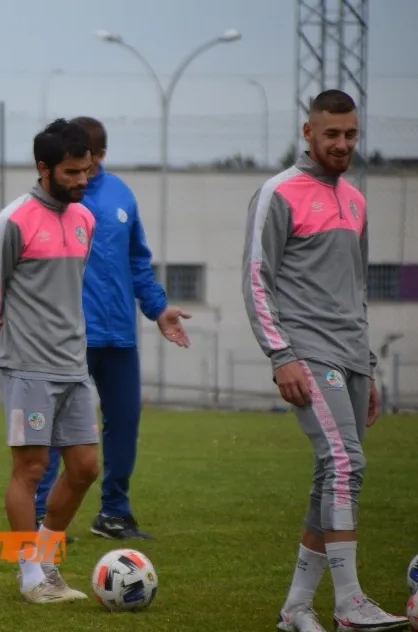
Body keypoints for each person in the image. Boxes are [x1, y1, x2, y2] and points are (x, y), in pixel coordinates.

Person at [241, 89, 408, 632]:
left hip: (350, 358)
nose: (341, 144)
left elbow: (356, 289)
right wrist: (281, 354)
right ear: (307, 132)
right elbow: (255, 280)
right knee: (345, 465)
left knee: (329, 476)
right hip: (307, 352)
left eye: (351, 135)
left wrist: (369, 366)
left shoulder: (356, 201)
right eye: (331, 134)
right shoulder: (277, 193)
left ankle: (295, 608)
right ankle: (350, 603)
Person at [34, 116, 191, 541]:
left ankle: (114, 513)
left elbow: (138, 261)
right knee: (52, 433)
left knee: (124, 422)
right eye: (76, 165)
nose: (84, 173)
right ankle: (41, 519)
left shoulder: (122, 195)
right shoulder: (54, 200)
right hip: (68, 338)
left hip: (119, 334)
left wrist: (158, 309)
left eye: (90, 162)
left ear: (98, 155)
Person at [0, 118, 100, 604]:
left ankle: (46, 560)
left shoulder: (86, 219)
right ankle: (30, 575)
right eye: (71, 172)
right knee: (30, 469)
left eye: (86, 170)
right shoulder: (13, 220)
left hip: (74, 365)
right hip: (28, 366)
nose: (81, 181)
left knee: (86, 467)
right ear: (43, 168)